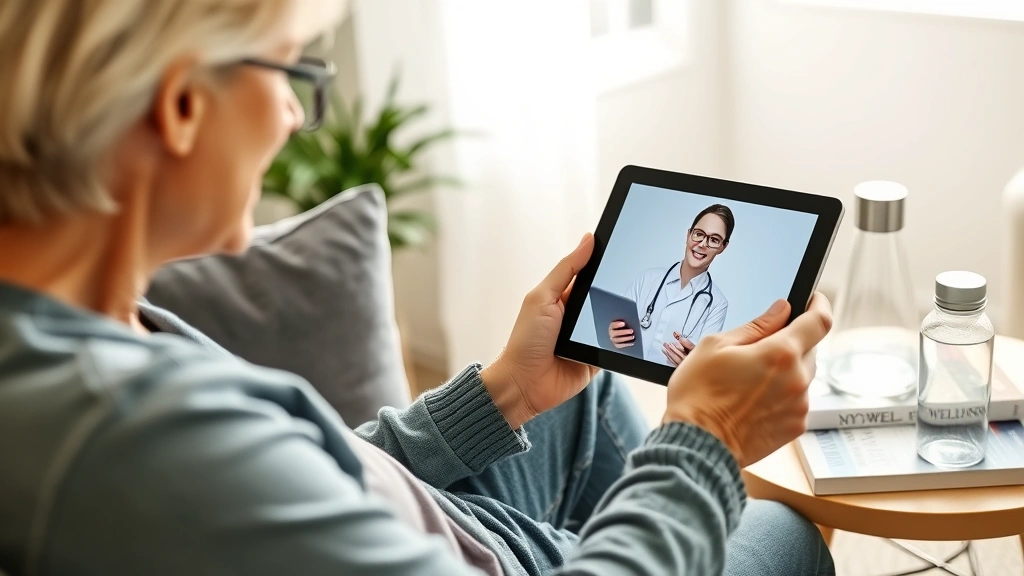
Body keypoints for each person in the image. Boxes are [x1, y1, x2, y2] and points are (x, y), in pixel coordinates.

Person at [0, 2, 835, 575]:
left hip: (459, 526)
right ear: (181, 102)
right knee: (779, 528)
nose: (295, 116)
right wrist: (706, 435)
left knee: (576, 399)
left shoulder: (85, 323)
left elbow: (319, 474)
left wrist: (505, 389)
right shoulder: (131, 436)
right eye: (291, 69)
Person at [609, 204, 734, 366]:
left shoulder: (717, 304)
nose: (703, 243)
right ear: (688, 235)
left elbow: (703, 365)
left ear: (723, 247)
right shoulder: (648, 278)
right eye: (698, 234)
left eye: (714, 240)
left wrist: (692, 365)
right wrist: (612, 334)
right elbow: (615, 328)